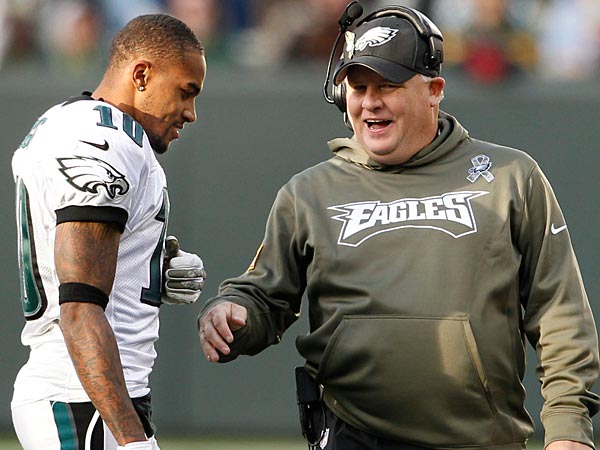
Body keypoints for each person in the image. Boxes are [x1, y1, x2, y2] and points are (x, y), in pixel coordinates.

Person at [199, 2, 599, 450]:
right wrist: (234, 313)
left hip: (480, 439)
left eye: (388, 85)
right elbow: (265, 295)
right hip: (352, 434)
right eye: (358, 86)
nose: (370, 101)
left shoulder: (510, 177)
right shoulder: (309, 192)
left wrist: (568, 425)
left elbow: (558, 311)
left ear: (434, 91)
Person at [11, 13, 206, 450]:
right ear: (142, 75)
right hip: (81, 399)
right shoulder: (104, 141)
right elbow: (79, 306)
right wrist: (132, 440)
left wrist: (147, 266)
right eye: (185, 92)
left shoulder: (74, 122)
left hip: (91, 397)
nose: (191, 113)